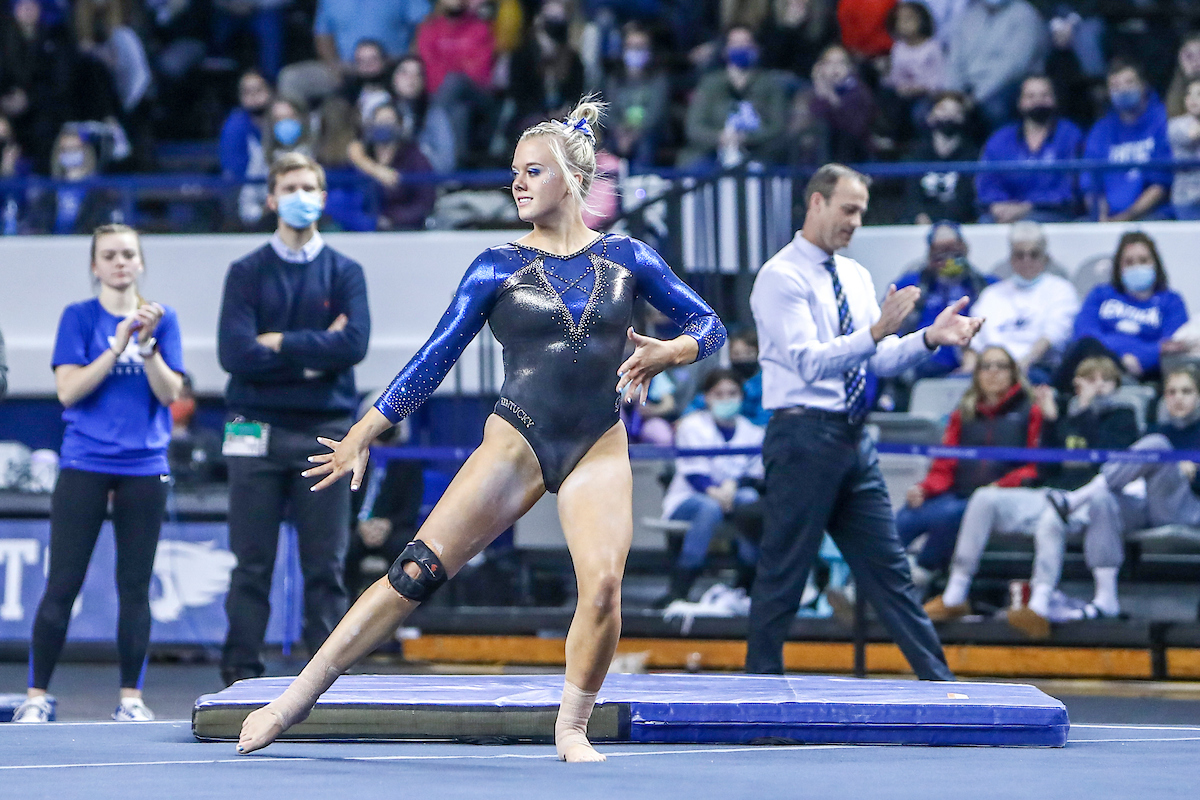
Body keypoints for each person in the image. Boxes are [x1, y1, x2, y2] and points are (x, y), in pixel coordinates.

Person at [233, 99, 726, 761]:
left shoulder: (628, 257)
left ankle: (572, 727)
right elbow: (432, 359)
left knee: (604, 586)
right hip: (517, 439)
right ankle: (291, 701)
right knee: (413, 573)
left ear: (572, 180)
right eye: (514, 172)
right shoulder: (495, 264)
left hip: (598, 445)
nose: (517, 184)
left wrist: (675, 352)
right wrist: (365, 431)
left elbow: (710, 325)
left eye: (532, 171)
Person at [745, 163, 982, 679]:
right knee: (784, 573)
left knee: (891, 572)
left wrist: (927, 339)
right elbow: (809, 361)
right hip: (802, 434)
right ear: (816, 203)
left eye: (862, 213)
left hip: (851, 436)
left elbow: (871, 359)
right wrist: (876, 331)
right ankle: (759, 693)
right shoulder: (779, 276)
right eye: (848, 210)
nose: (856, 222)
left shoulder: (854, 275)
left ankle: (943, 689)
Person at [11, 224, 185, 723]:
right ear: (95, 266)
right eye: (109, 255)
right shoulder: (79, 317)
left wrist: (147, 345)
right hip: (84, 463)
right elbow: (69, 391)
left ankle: (131, 698)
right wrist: (116, 344)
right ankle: (37, 695)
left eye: (128, 254)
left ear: (141, 262)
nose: (119, 262)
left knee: (135, 584)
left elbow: (171, 394)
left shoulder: (162, 319)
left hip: (144, 467)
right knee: (62, 582)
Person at [216, 152, 371, 687]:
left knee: (325, 568)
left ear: (323, 198)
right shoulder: (245, 272)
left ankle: (326, 680)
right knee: (250, 566)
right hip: (249, 428)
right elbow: (233, 356)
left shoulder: (346, 272)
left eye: (309, 186)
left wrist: (279, 343)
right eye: (290, 186)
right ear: (271, 198)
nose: (300, 195)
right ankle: (238, 674)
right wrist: (315, 354)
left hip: (324, 432)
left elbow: (353, 345)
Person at [924, 356, 1139, 634]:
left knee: (1052, 517)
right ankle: (955, 593)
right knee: (983, 499)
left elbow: (1105, 464)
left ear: (1117, 385)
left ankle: (1039, 604)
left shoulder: (1124, 416)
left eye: (1105, 380)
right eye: (1089, 379)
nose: (1097, 386)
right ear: (1076, 384)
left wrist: (1085, 411)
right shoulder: (1062, 413)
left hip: (1093, 500)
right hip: (1052, 493)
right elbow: (1046, 468)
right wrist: (1051, 422)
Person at [1038, 366, 1200, 633]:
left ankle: (1076, 498)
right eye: (1171, 392)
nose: (1178, 398)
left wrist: (1193, 472)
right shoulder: (1155, 427)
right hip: (1149, 503)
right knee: (1103, 499)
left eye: (1186, 391)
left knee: (1157, 445)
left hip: (1187, 509)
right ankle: (1106, 598)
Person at [896, 345, 1042, 588]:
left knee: (953, 514)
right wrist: (924, 489)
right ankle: (864, 581)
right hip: (957, 493)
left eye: (1001, 366)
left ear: (1013, 373)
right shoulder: (963, 413)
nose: (993, 372)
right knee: (905, 517)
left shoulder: (1031, 410)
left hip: (1003, 498)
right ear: (977, 374)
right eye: (986, 366)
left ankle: (922, 573)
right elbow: (944, 464)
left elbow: (1035, 467)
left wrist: (1001, 485)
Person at [655, 369, 765, 608]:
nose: (726, 399)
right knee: (709, 508)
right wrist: (718, 493)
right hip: (689, 499)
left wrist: (732, 487)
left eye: (732, 393)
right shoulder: (691, 426)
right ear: (706, 397)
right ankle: (679, 590)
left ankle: (746, 586)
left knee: (750, 500)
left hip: (734, 496)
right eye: (719, 394)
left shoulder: (753, 432)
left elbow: (754, 474)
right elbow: (693, 472)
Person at [964, 221, 1079, 383]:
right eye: (1019, 255)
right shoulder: (991, 294)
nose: (1026, 261)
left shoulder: (1061, 290)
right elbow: (974, 341)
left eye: (1033, 254)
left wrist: (1019, 365)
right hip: (991, 368)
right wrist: (969, 368)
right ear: (1011, 259)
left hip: (1037, 367)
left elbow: (1053, 335)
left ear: (1045, 258)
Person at [1070, 231, 1188, 382]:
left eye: (1143, 260)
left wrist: (1140, 357)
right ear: (1119, 267)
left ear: (1156, 264)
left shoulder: (1171, 301)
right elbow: (1084, 334)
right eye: (1129, 262)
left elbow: (1172, 346)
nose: (1136, 267)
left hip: (1146, 374)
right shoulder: (1100, 294)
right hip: (1097, 365)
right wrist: (1122, 358)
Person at [975, 75, 1083, 224]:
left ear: (1055, 99)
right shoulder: (1000, 138)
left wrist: (1028, 207)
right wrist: (999, 205)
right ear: (1020, 102)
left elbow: (1069, 186)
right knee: (985, 222)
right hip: (1004, 213)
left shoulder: (1070, 134)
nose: (1038, 101)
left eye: (1044, 95)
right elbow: (988, 181)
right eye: (1030, 96)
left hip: (1051, 213)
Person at [678, 25, 788, 168]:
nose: (741, 48)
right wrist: (721, 137)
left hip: (758, 153)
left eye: (746, 43)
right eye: (736, 44)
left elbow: (777, 127)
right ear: (725, 50)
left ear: (757, 49)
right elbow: (694, 128)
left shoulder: (770, 85)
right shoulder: (710, 83)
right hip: (711, 153)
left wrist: (745, 138)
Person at [1081, 60, 1171, 222]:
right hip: (1106, 217)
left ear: (1143, 85)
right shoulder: (1101, 129)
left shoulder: (1162, 120)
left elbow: (1160, 184)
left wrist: (1125, 218)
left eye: (1129, 82)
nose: (1122, 90)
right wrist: (1101, 218)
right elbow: (1090, 182)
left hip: (1152, 214)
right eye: (1115, 86)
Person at [946, 0, 1047, 128]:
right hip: (967, 84)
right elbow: (954, 59)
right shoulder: (968, 15)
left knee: (995, 109)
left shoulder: (1025, 15)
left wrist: (975, 97)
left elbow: (1012, 67)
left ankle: (1001, 147)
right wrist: (951, 95)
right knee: (927, 111)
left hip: (1006, 84)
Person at [347, 102, 437, 231]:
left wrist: (392, 219)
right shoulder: (364, 157)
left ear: (400, 125)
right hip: (364, 230)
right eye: (379, 121)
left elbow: (425, 201)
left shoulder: (415, 158)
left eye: (388, 121)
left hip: (404, 231)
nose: (383, 125)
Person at [903, 91, 978, 225]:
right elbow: (911, 195)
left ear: (963, 118)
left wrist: (941, 221)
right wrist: (919, 215)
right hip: (919, 223)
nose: (949, 115)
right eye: (943, 109)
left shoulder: (972, 155)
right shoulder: (916, 153)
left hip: (959, 224)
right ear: (930, 116)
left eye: (956, 111)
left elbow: (966, 201)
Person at [605, 22, 669, 171]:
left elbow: (655, 115)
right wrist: (620, 133)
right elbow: (609, 110)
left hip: (648, 134)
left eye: (640, 47)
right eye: (631, 47)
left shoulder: (658, 79)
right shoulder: (615, 79)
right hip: (619, 134)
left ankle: (640, 190)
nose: (635, 51)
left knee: (645, 145)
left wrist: (633, 136)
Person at [220, 70, 274, 228]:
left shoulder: (282, 120)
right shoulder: (235, 127)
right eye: (247, 92)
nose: (253, 97)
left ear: (271, 91)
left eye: (258, 90)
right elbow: (236, 172)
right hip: (249, 194)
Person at [390, 55, 456, 175]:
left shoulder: (435, 114)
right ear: (393, 78)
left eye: (418, 74)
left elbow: (447, 163)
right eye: (405, 73)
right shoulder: (381, 111)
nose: (411, 79)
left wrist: (420, 153)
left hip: (426, 181)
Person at [1168, 78, 1200, 222]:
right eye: (1189, 94)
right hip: (1186, 197)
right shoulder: (1176, 124)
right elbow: (1192, 135)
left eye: (1199, 94)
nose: (1193, 99)